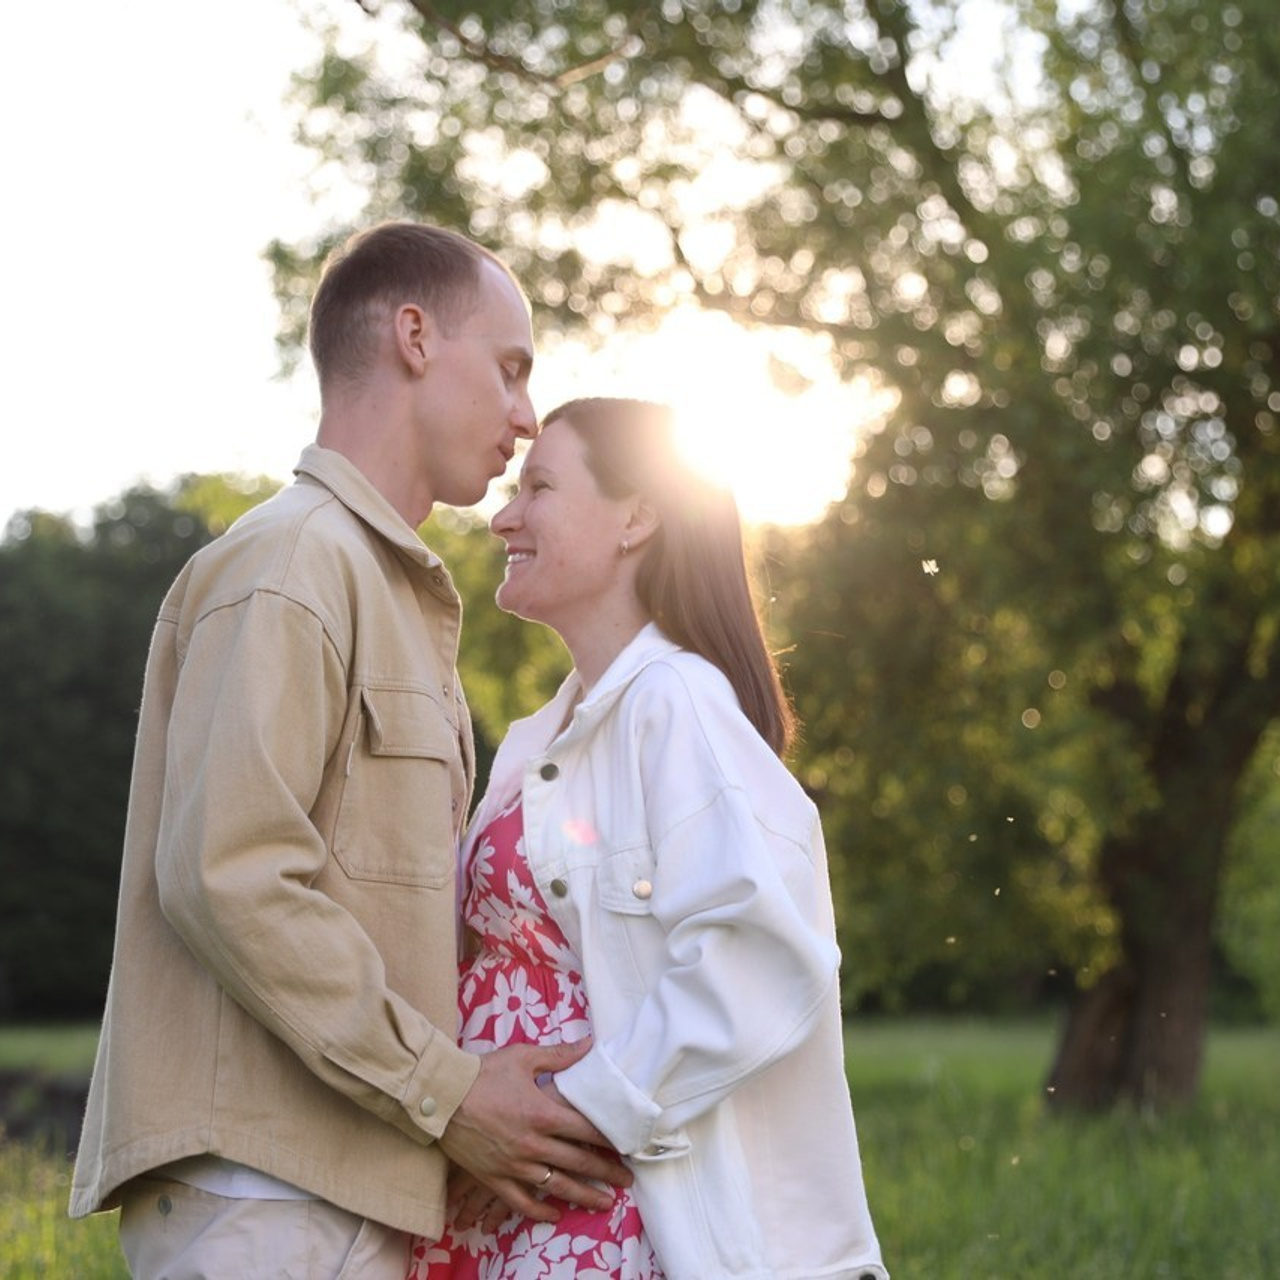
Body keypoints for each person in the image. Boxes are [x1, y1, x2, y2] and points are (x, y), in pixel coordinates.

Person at [69, 223, 632, 1279]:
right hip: (265, 1199)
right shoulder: (291, 564)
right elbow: (228, 874)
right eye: (510, 369)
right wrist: (447, 1086)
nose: (522, 415)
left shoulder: (378, 587)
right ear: (413, 336)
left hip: (336, 1188)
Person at [409, 398, 888, 1279]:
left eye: (539, 486)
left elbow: (758, 953)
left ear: (638, 516)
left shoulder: (677, 703)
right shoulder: (538, 740)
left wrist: (568, 1110)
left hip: (599, 1205)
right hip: (503, 1199)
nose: (503, 516)